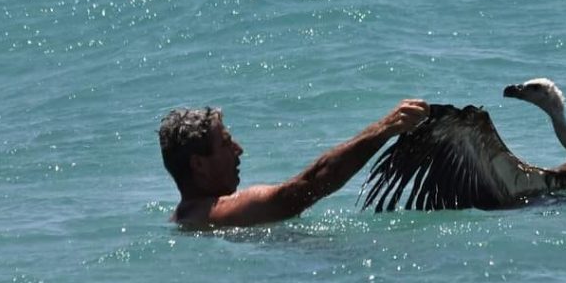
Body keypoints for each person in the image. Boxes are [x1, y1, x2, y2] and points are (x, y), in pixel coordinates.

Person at [158, 99, 429, 228]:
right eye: (226, 144)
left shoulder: (184, 218)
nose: (238, 150)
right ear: (199, 165)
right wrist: (382, 130)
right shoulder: (219, 212)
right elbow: (306, 187)